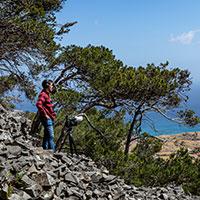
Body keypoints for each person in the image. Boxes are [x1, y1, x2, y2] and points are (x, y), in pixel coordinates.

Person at [36, 79, 56, 151]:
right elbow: (38, 104)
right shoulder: (43, 94)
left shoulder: (46, 94)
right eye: (51, 85)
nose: (52, 87)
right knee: (51, 136)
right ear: (47, 85)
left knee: (47, 136)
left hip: (49, 118)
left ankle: (45, 151)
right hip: (47, 119)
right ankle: (53, 153)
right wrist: (45, 115)